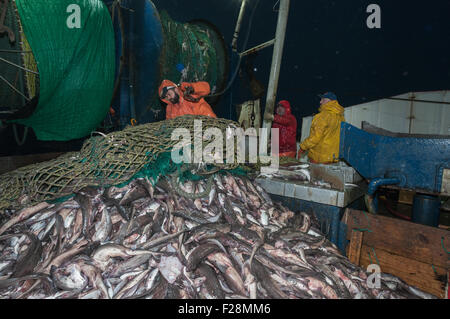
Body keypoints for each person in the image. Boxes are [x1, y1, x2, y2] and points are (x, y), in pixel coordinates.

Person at [298, 92, 345, 164]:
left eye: (323, 99)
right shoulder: (341, 117)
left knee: (315, 175)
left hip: (319, 158)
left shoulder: (322, 116)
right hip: (332, 157)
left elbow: (315, 137)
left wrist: (303, 147)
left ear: (329, 101)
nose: (320, 102)